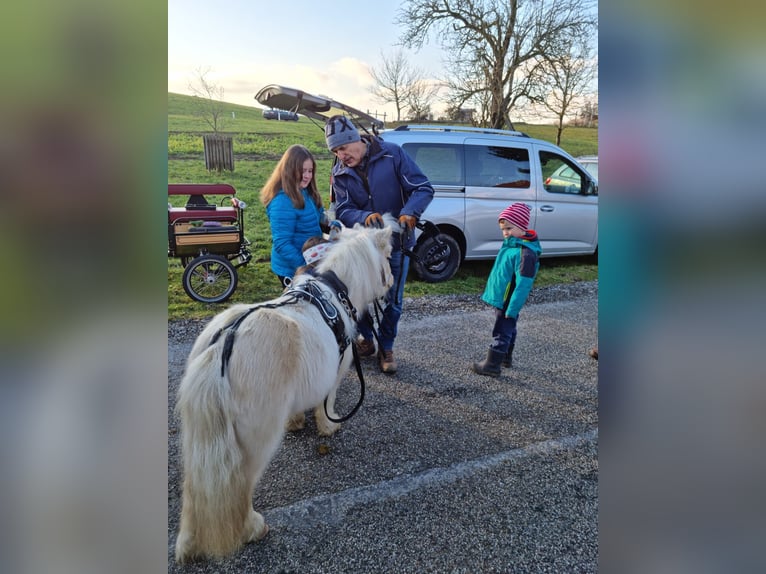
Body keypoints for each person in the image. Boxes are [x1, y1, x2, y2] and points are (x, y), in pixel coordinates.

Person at [325, 115, 434, 374]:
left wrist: (410, 212)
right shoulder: (339, 173)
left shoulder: (393, 154)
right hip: (363, 247)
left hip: (397, 242)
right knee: (358, 296)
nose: (340, 156)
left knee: (393, 300)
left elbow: (423, 188)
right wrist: (364, 216)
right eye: (335, 151)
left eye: (342, 148)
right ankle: (366, 339)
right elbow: (343, 209)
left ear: (354, 139)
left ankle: (386, 346)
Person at [472, 202, 542, 377]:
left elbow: (523, 286)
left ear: (522, 226)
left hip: (508, 302)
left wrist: (512, 308)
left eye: (509, 228)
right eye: (503, 229)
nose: (505, 233)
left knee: (501, 330)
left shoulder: (526, 253)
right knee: (508, 328)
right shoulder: (511, 246)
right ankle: (505, 357)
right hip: (503, 299)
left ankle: (491, 365)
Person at [260, 144, 327, 287]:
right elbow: (282, 244)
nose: (308, 176)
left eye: (310, 171)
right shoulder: (282, 201)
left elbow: (319, 214)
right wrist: (305, 268)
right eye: (302, 171)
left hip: (310, 260)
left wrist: (331, 224)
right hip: (293, 269)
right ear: (289, 170)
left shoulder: (307, 191)